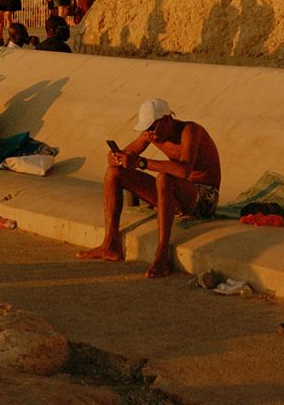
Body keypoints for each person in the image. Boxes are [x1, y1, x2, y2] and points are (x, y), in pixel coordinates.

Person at [77, 98, 222, 278]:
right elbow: (127, 154)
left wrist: (142, 163)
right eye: (147, 129)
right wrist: (117, 157)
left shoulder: (190, 130)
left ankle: (162, 253)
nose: (150, 134)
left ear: (167, 119)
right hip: (177, 192)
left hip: (203, 197)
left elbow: (184, 170)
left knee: (164, 178)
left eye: (153, 128)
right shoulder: (150, 134)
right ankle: (110, 244)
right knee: (113, 172)